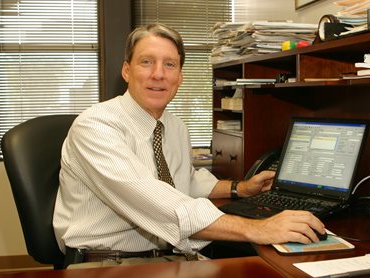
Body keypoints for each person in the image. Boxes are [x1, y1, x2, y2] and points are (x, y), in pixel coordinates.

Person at [53, 23, 325, 268]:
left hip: (169, 258)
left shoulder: (175, 127)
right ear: (127, 70)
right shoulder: (95, 126)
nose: (158, 74)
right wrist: (258, 228)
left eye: (170, 65)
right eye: (146, 62)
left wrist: (239, 188)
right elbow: (156, 201)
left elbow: (185, 181)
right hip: (107, 264)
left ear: (180, 76)